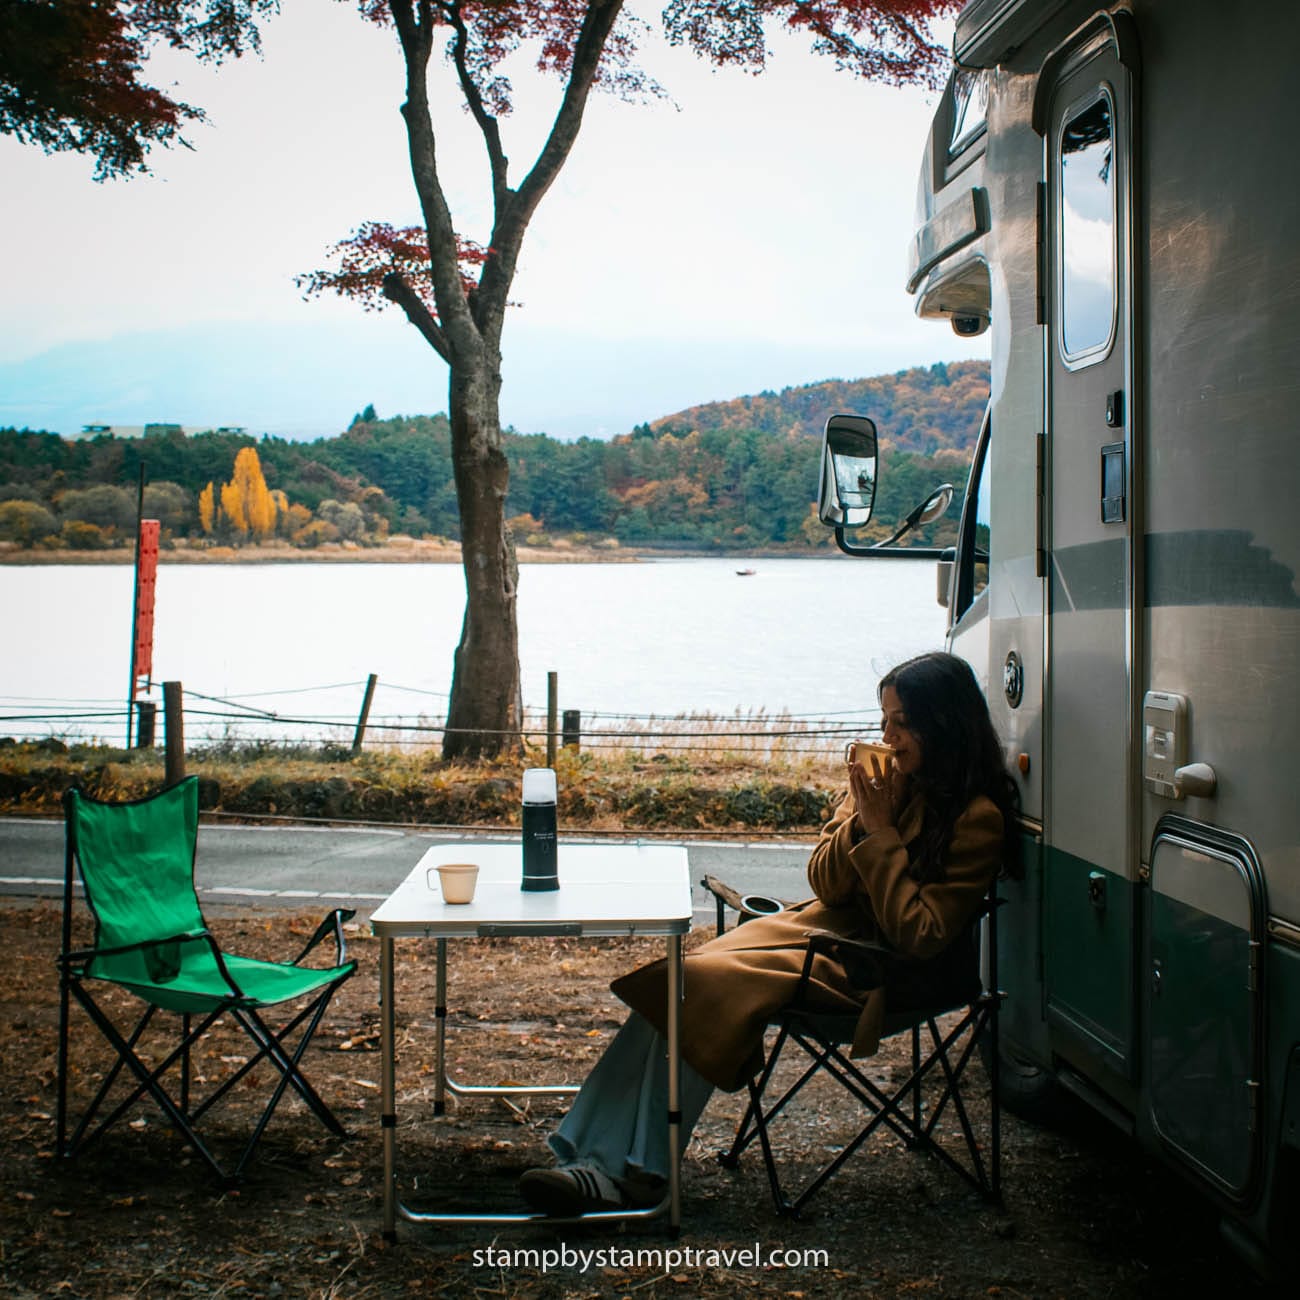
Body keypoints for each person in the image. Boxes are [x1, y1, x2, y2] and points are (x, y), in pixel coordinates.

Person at [519, 651, 1021, 1216]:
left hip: (879, 971)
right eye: (884, 721)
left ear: (943, 724)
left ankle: (633, 1174)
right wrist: (862, 817)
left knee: (702, 984)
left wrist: (880, 834)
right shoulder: (882, 785)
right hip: (821, 933)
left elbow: (920, 936)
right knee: (679, 981)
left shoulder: (976, 818)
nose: (889, 737)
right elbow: (826, 885)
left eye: (902, 723)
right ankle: (592, 1160)